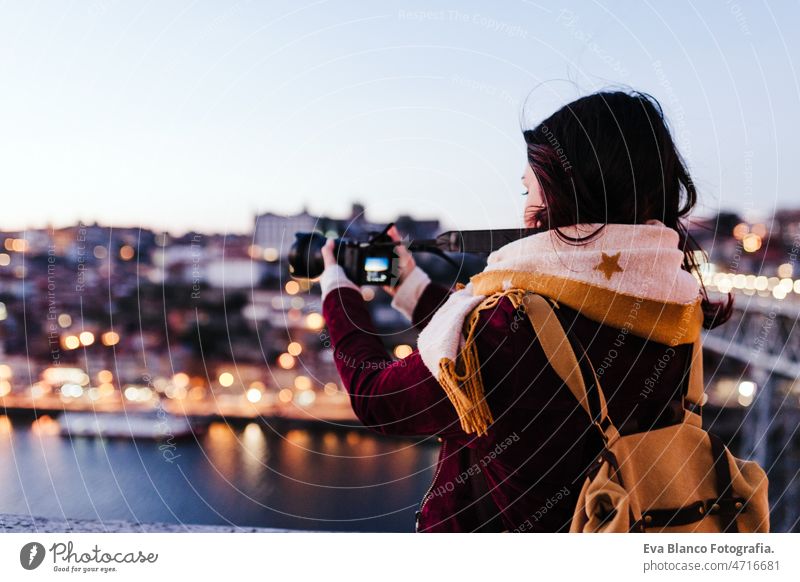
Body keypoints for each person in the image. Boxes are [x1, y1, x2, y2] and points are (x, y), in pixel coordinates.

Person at [318, 90, 731, 533]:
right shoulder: (674, 302)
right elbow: (522, 348)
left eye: (527, 188)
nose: (523, 205)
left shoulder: (508, 331)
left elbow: (379, 398)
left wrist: (337, 294)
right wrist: (411, 285)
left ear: (559, 193)